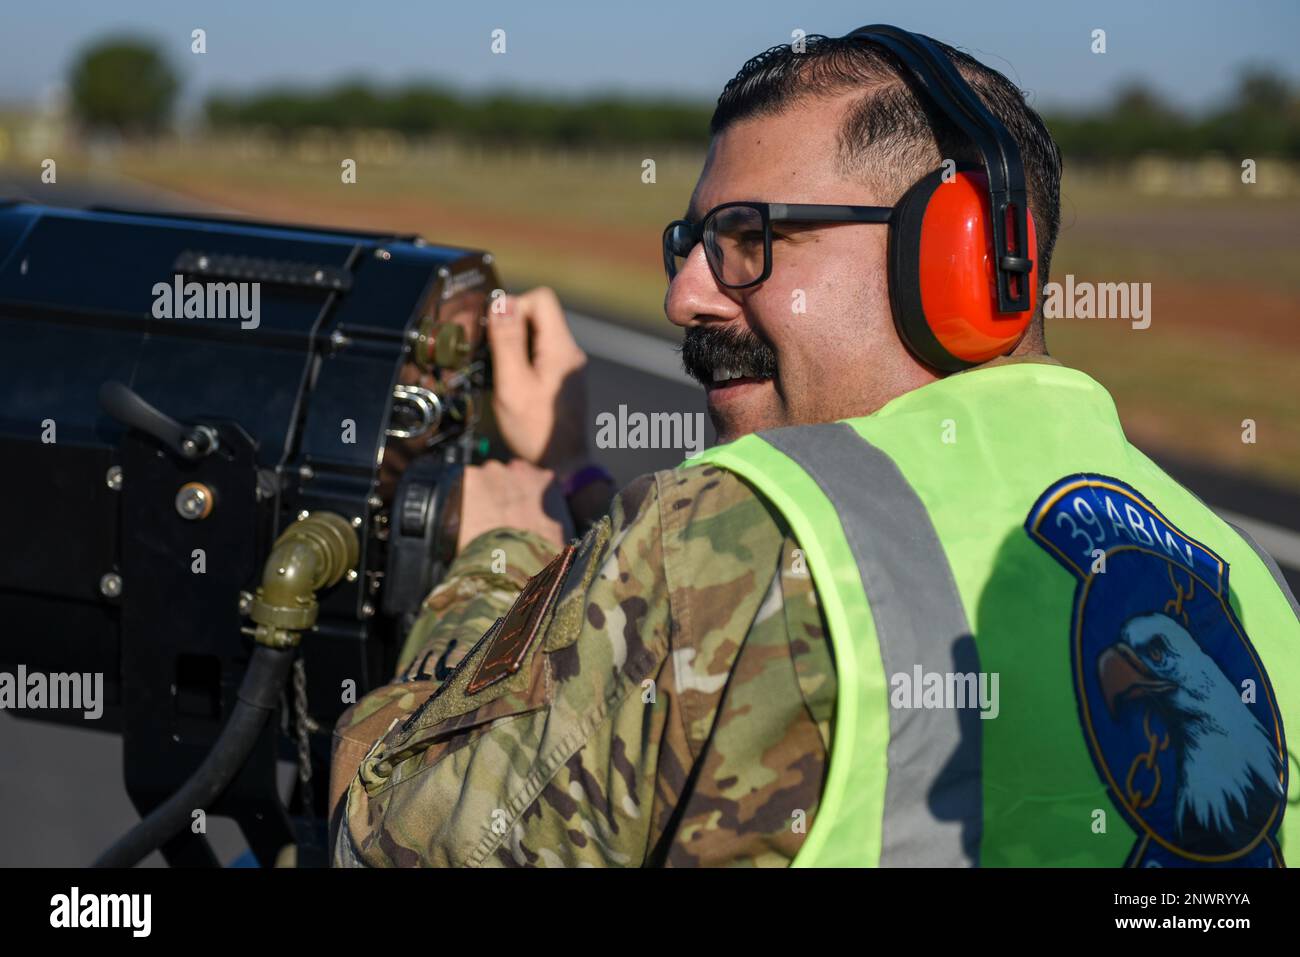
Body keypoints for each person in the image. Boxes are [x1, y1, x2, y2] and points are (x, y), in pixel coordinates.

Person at [329, 26, 1300, 867]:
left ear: (958, 257)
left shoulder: (734, 529)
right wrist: (575, 480)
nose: (685, 296)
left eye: (748, 239)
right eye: (691, 244)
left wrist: (496, 568)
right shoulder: (1248, 581)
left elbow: (391, 842)